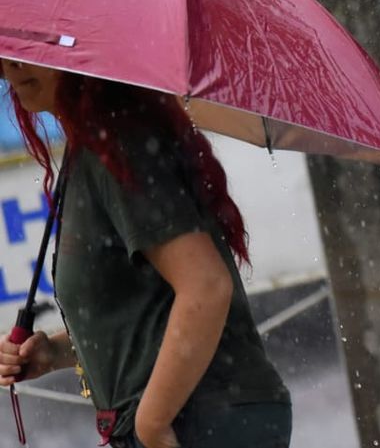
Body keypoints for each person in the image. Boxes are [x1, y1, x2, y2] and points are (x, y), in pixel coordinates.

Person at [0, 59, 291, 448]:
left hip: (202, 419)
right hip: (194, 417)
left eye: (33, 51)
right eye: (6, 54)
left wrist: (151, 424)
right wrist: (54, 352)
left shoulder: (118, 141)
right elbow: (146, 314)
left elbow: (206, 286)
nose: (13, 67)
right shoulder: (91, 147)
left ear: (80, 54)